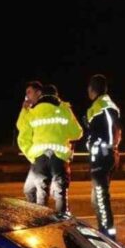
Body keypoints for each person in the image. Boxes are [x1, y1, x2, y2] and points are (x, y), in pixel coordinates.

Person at [16, 82, 83, 216]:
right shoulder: (63, 108)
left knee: (41, 193)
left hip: (39, 157)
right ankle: (62, 225)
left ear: (41, 94)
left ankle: (40, 224)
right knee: (60, 193)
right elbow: (77, 133)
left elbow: (21, 130)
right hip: (58, 156)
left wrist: (31, 154)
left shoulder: (33, 111)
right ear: (56, 96)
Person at [83, 74, 122, 238]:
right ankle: (104, 229)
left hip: (103, 156)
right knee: (97, 197)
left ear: (92, 89)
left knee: (100, 196)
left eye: (88, 88)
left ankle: (107, 233)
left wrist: (95, 144)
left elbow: (108, 132)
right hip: (107, 154)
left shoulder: (102, 106)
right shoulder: (106, 104)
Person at [17, 81, 47, 205]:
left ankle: (42, 218)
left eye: (29, 92)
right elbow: (21, 126)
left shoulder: (43, 109)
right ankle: (35, 215)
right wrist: (24, 110)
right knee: (29, 190)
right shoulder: (32, 110)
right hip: (35, 156)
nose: (27, 96)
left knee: (41, 191)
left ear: (38, 93)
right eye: (26, 93)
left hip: (44, 155)